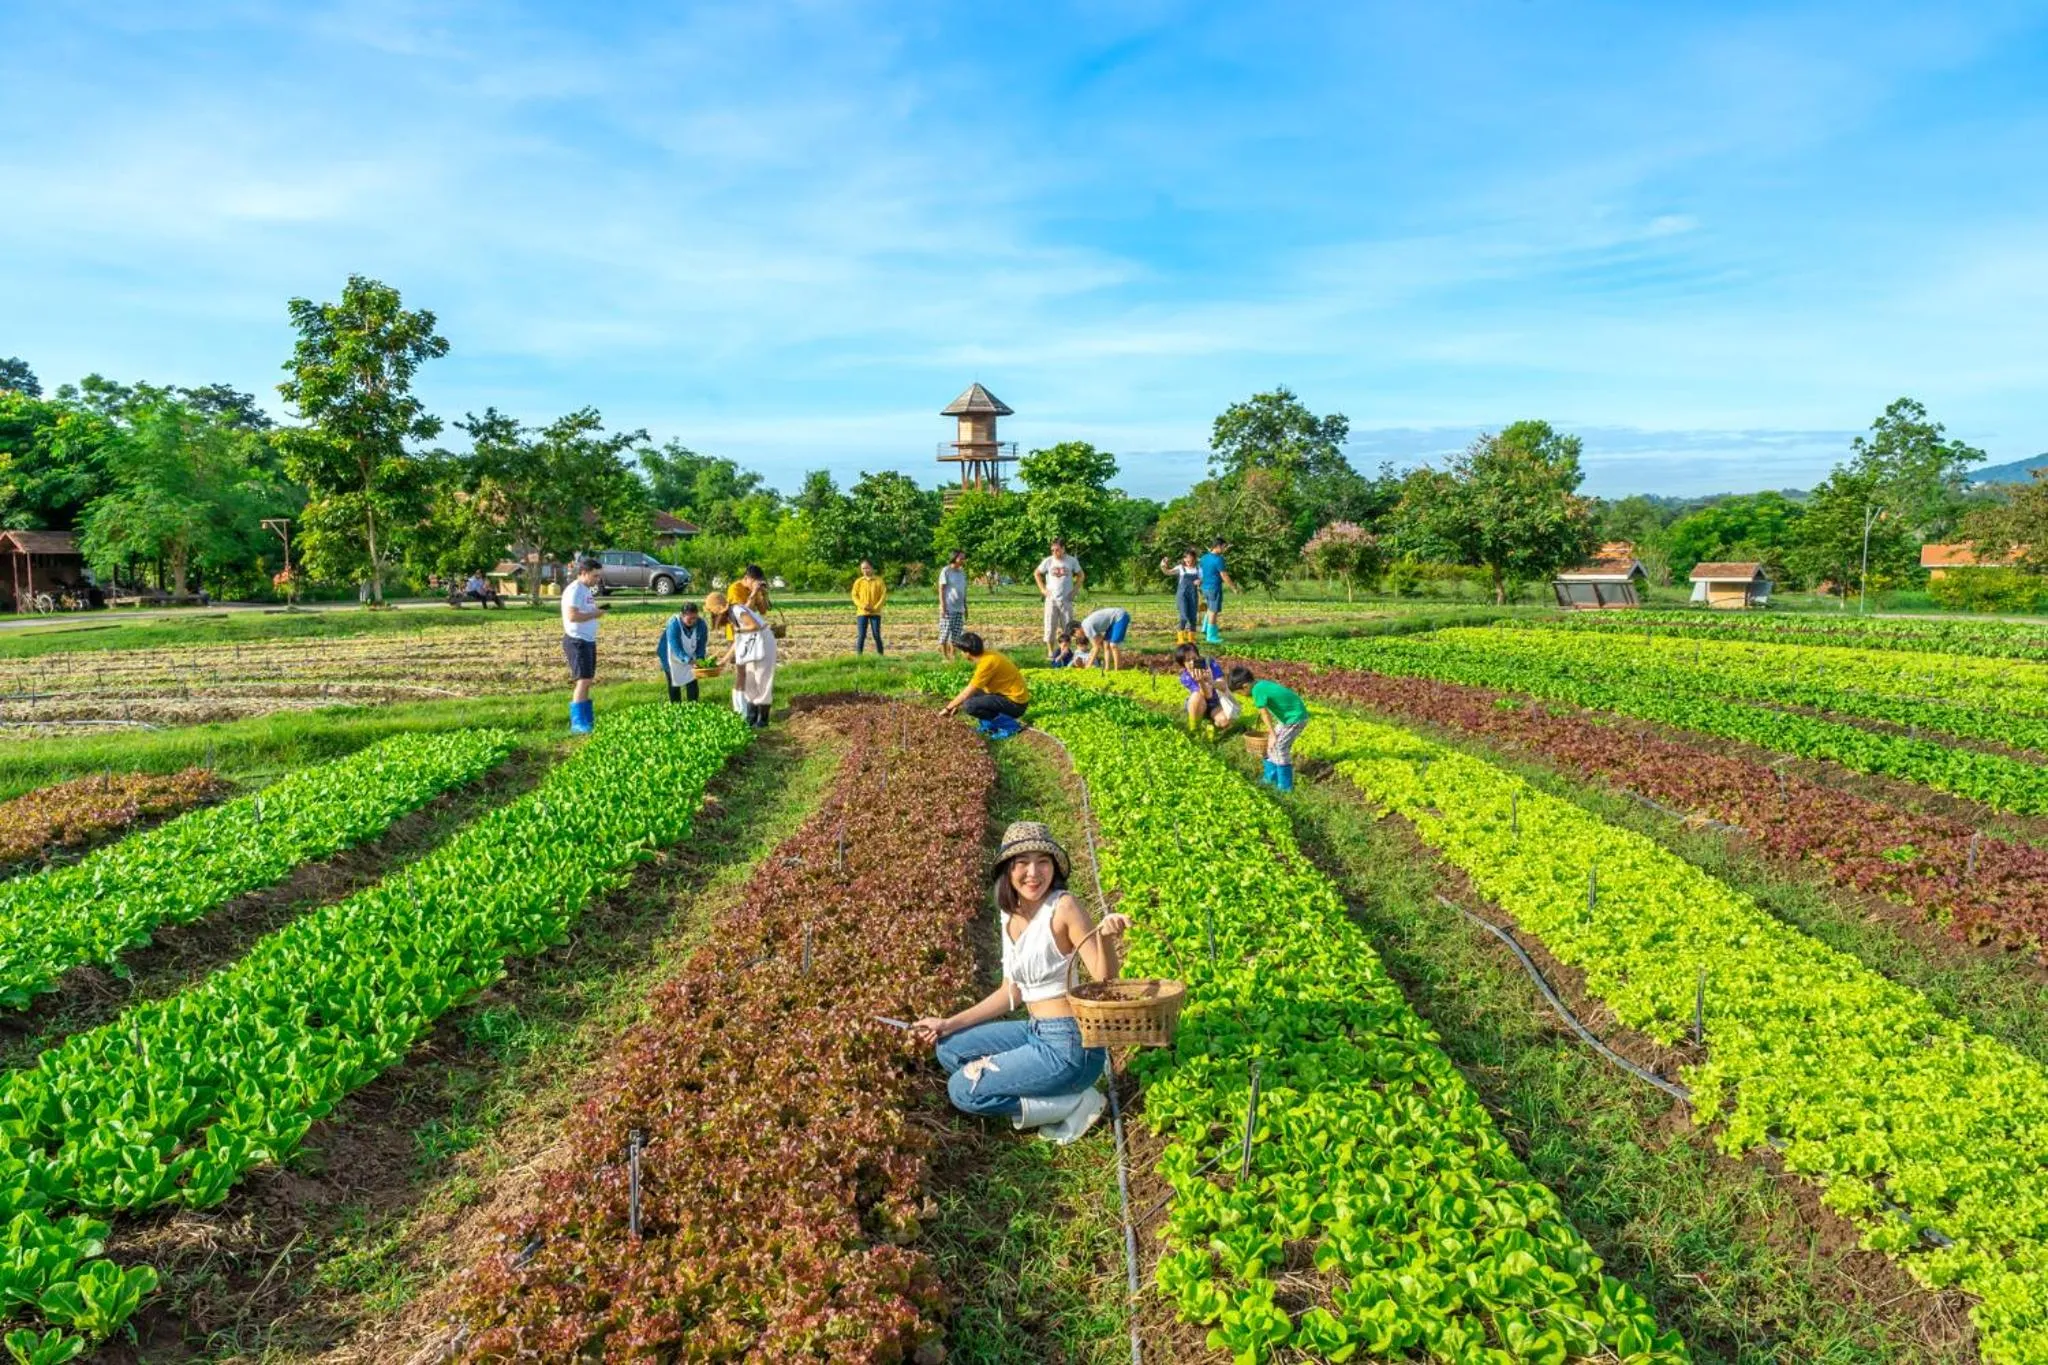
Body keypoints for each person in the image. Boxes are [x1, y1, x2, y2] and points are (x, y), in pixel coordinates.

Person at [912, 822, 1129, 1143]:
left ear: (1054, 867)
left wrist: (1107, 937)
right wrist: (948, 1022)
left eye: (1043, 861)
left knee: (962, 1090)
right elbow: (1010, 991)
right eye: (1022, 863)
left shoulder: (1062, 907)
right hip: (1036, 1031)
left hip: (1071, 1046)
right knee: (949, 1048)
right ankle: (1037, 1080)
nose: (1033, 873)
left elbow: (1105, 979)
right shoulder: (1009, 913)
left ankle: (1073, 1103)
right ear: (1007, 870)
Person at [1228, 665, 1308, 791]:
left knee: (1280, 747)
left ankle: (1285, 786)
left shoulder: (1257, 691)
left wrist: (1272, 734)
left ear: (1245, 686)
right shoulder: (1260, 684)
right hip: (1287, 718)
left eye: (1240, 693)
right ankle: (1270, 778)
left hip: (1295, 718)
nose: (1242, 695)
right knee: (1271, 746)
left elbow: (1264, 714)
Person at [709, 590, 777, 728]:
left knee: (762, 678)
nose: (715, 616)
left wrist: (740, 631)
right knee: (750, 680)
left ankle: (763, 720)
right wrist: (724, 660)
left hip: (764, 641)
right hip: (753, 643)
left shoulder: (737, 610)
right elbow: (738, 642)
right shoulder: (732, 617)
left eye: (714, 613)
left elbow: (754, 626)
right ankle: (751, 717)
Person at [939, 632, 1029, 725]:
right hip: (1005, 696)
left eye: (962, 651)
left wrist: (948, 708)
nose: (961, 654)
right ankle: (993, 721)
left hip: (1015, 705)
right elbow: (972, 689)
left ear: (967, 653)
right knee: (970, 697)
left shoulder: (987, 663)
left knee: (970, 706)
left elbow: (969, 690)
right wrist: (957, 704)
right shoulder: (988, 655)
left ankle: (1004, 724)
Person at [560, 557, 606, 734]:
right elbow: (572, 616)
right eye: (595, 576)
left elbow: (584, 612)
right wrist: (595, 614)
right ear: (584, 573)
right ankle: (578, 723)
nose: (597, 579)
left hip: (587, 639)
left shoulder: (585, 590)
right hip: (577, 640)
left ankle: (587, 720)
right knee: (583, 680)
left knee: (588, 680)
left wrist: (594, 613)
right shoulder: (574, 590)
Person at [1033, 539, 1083, 661]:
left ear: (1063, 549)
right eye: (1053, 550)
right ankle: (1050, 652)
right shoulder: (1048, 561)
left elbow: (1081, 575)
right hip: (1051, 600)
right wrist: (1043, 590)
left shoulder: (1071, 561)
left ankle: (1066, 652)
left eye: (1057, 550)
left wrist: (1075, 590)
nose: (1055, 552)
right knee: (1050, 626)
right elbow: (1037, 573)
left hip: (1066, 600)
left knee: (1068, 627)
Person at [1176, 642, 1240, 734]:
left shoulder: (1211, 664)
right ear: (1183, 664)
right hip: (1198, 703)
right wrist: (1201, 682)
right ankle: (1194, 729)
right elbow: (1207, 695)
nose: (1192, 662)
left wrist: (1211, 682)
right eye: (1188, 660)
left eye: (1194, 658)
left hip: (1214, 703)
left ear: (1199, 657)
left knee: (1225, 721)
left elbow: (1223, 685)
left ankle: (1211, 720)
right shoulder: (1185, 677)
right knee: (1196, 696)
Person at [657, 600, 709, 702]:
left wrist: (699, 659)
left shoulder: (701, 624)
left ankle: (693, 706)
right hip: (670, 656)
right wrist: (688, 660)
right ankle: (676, 708)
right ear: (682, 615)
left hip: (690, 655)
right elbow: (675, 647)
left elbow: (701, 645)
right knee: (674, 683)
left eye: (695, 618)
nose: (693, 621)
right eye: (690, 619)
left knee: (692, 681)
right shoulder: (673, 624)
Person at [1160, 547, 1203, 645]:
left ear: (1194, 559)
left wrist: (1200, 581)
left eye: (1191, 559)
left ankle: (1191, 639)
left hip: (1193, 595)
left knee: (1193, 617)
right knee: (1184, 616)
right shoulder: (1180, 568)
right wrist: (1163, 565)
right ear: (1184, 559)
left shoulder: (1198, 569)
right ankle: (1180, 639)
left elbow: (1202, 579)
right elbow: (1167, 572)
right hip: (1182, 595)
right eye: (1187, 558)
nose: (1189, 561)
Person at [1199, 539, 1239, 644]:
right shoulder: (1218, 559)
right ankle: (1211, 637)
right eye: (1224, 546)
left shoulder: (1204, 558)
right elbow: (1224, 575)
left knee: (1209, 608)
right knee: (1213, 611)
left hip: (1205, 588)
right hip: (1214, 588)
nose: (1225, 549)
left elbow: (1201, 572)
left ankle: (1205, 629)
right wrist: (1233, 587)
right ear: (1217, 546)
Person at [937, 549, 969, 662]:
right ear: (954, 558)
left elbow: (963, 591)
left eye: (964, 558)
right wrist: (943, 606)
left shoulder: (962, 573)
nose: (963, 560)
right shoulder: (946, 571)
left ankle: (953, 656)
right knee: (945, 634)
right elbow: (941, 589)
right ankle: (944, 657)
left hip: (959, 608)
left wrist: (965, 607)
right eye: (961, 558)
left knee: (956, 635)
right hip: (948, 608)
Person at [1077, 605, 1131, 670]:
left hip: (1119, 616)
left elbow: (1096, 648)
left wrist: (1088, 665)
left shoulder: (1086, 627)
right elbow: (1099, 640)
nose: (1078, 636)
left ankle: (1118, 669)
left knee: (1113, 645)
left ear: (1076, 629)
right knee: (1106, 645)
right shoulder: (1085, 624)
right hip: (1112, 622)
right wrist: (1092, 650)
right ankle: (1107, 668)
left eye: (1075, 635)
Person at [851, 559, 888, 656]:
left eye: (867, 568)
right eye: (863, 568)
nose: (865, 570)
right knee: (861, 635)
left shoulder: (879, 581)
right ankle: (859, 657)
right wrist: (863, 606)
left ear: (871, 568)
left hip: (875, 612)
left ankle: (881, 655)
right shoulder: (858, 582)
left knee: (876, 635)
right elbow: (854, 596)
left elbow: (883, 596)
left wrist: (876, 607)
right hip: (862, 612)